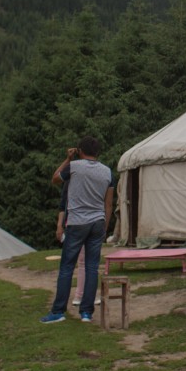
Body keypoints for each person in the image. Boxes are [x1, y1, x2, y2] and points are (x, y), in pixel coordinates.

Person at [41, 136, 113, 324]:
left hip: (77, 222)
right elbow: (108, 203)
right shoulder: (107, 172)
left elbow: (55, 178)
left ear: (79, 151)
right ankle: (86, 313)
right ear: (98, 152)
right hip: (97, 221)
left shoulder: (74, 167)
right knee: (91, 267)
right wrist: (105, 226)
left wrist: (68, 159)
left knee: (67, 267)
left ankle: (58, 311)